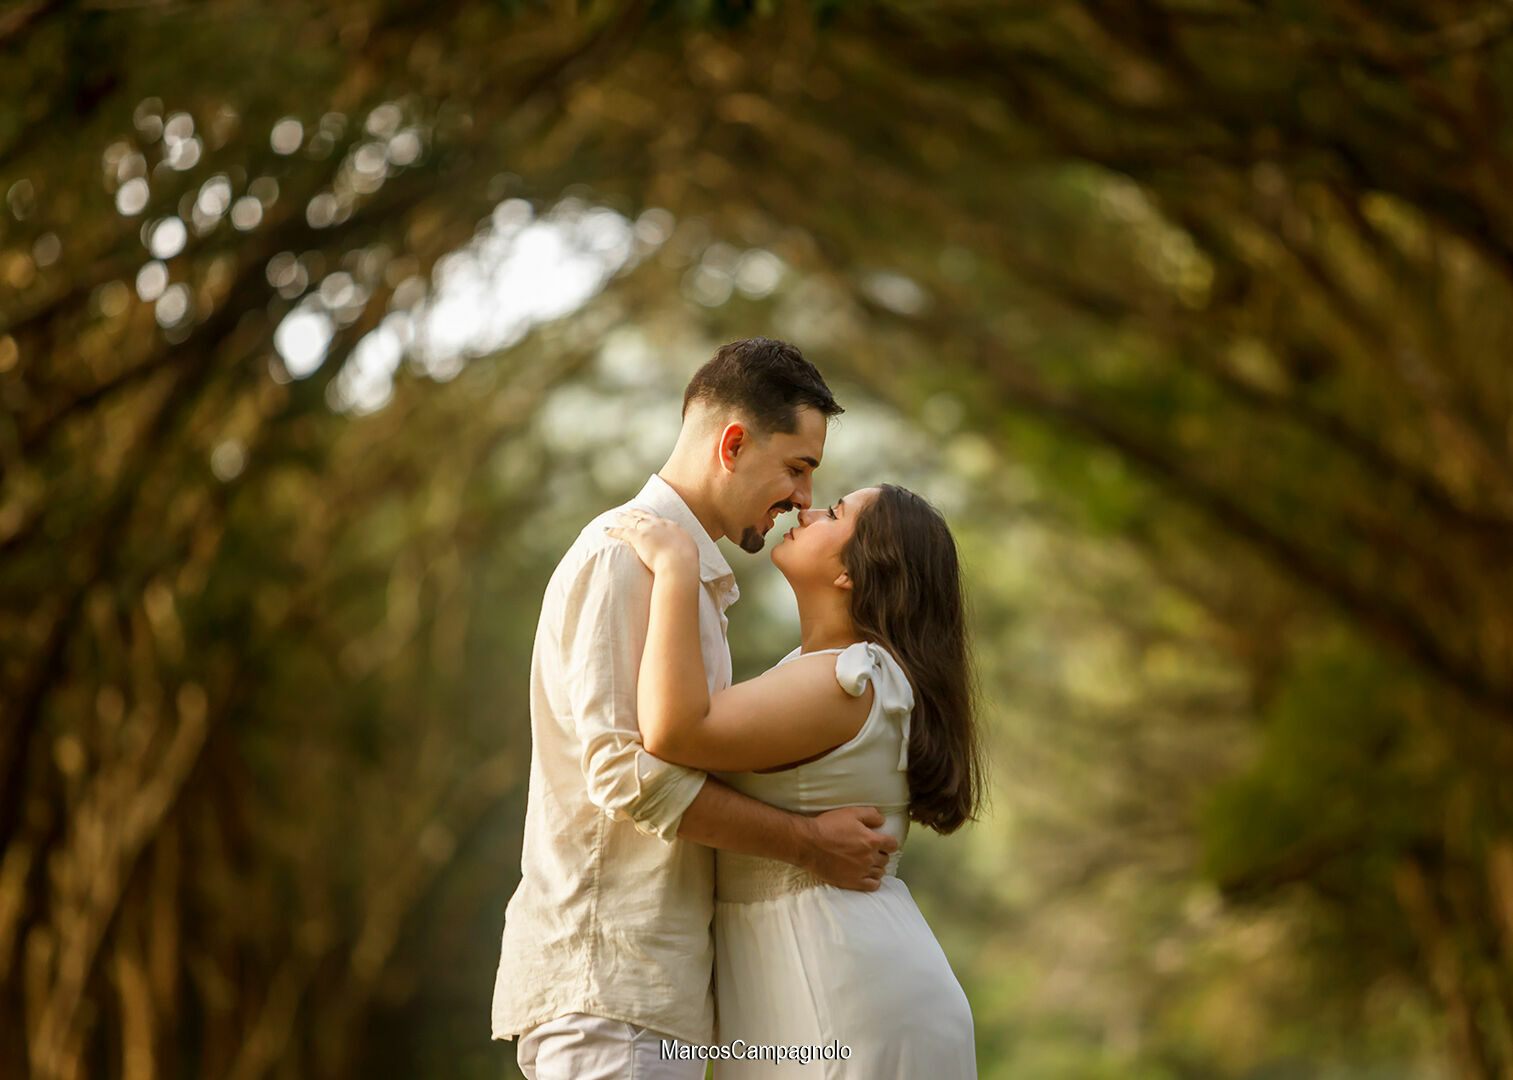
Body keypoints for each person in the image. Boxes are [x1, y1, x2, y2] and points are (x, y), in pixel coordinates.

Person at [491, 338, 900, 1080]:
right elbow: (625, 775)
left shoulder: (686, 577)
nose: (803, 498)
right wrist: (807, 844)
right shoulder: (624, 558)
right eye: (797, 468)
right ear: (732, 445)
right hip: (608, 990)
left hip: (651, 997)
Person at [607, 482, 983, 1078]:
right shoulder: (824, 674)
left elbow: (674, 732)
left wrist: (678, 569)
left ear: (851, 573)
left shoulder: (847, 680)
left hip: (839, 983)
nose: (807, 510)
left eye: (834, 513)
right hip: (811, 973)